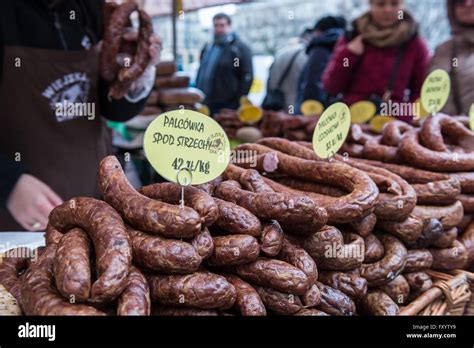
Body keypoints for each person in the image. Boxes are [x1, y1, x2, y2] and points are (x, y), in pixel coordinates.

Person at [0, 0, 161, 231]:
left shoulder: (91, 9)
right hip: (20, 219)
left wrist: (135, 75)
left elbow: (113, 108)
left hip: (96, 199)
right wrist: (9, 182)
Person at [322, 0, 430, 120]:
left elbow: (421, 93)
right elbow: (331, 86)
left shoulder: (414, 43)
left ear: (402, 5)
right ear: (371, 5)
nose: (387, 10)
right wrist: (348, 54)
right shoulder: (353, 35)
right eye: (381, 4)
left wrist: (405, 119)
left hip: (393, 122)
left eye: (394, 4)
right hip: (350, 120)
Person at [196, 13, 253, 116]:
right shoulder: (208, 48)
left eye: (222, 25)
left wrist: (236, 104)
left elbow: (247, 77)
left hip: (226, 106)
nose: (218, 29)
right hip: (206, 102)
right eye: (215, 25)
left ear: (229, 27)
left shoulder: (239, 49)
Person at [430, 0, 474, 116]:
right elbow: (435, 100)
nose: (468, 4)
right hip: (454, 130)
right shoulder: (443, 51)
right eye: (460, 1)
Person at [296, 16, 347, 111]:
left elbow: (312, 83)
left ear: (319, 31)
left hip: (318, 112)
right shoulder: (343, 47)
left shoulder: (321, 49)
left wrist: (309, 111)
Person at [264, 29, 310, 112]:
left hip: (277, 102)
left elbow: (269, 79)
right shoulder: (306, 56)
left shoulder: (281, 52)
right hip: (295, 103)